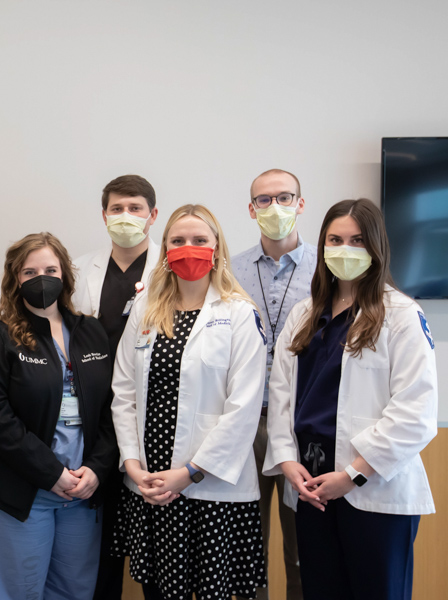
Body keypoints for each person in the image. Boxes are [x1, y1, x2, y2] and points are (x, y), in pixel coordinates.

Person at [264, 198, 437, 600]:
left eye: (357, 240)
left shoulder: (402, 315)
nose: (345, 249)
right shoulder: (305, 314)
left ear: (376, 247)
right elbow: (282, 395)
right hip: (312, 488)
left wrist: (354, 474)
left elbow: (416, 412)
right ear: (322, 247)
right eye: (335, 239)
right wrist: (289, 462)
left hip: (372, 490)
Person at [111, 204, 268, 600]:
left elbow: (244, 407)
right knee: (159, 592)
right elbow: (124, 390)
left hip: (210, 487)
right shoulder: (146, 308)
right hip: (152, 483)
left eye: (200, 240)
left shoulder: (239, 313)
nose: (188, 248)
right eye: (177, 241)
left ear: (217, 248)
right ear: (164, 250)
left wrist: (191, 472)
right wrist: (132, 464)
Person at [0, 232, 118, 600]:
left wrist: (96, 469)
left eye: (50, 269)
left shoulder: (90, 331)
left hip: (82, 491)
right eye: (29, 272)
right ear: (15, 279)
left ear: (65, 274)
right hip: (19, 490)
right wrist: (51, 473)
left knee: (74, 592)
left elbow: (114, 408)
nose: (41, 278)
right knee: (18, 593)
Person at [231, 168, 316, 600]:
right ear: (251, 209)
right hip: (245, 424)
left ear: (301, 204)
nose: (274, 207)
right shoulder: (230, 270)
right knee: (247, 545)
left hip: (302, 426)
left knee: (302, 547)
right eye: (264, 200)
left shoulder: (328, 268)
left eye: (285, 197)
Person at [74, 174, 159, 600]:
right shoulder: (79, 269)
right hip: (93, 419)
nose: (126, 217)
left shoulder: (170, 269)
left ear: (153, 215)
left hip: (152, 416)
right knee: (100, 542)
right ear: (104, 215)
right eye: (117, 209)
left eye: (136, 208)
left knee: (154, 545)